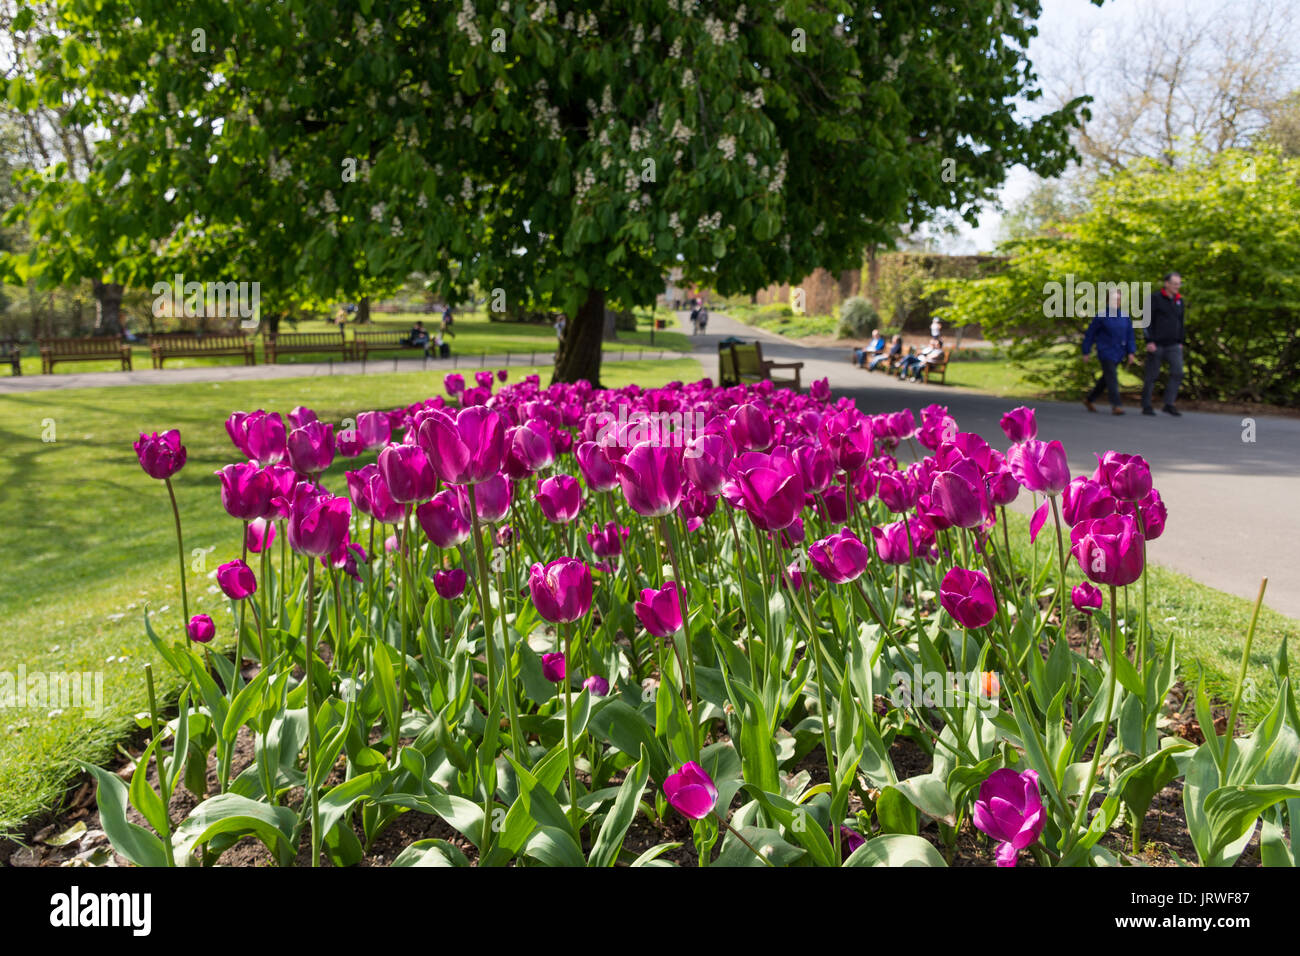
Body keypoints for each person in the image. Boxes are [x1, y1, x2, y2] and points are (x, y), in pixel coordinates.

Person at [1082, 288, 1137, 415]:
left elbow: (1129, 336)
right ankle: (1116, 405)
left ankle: (1089, 399)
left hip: (1119, 352)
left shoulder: (1124, 317)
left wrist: (1131, 352)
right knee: (1112, 377)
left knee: (1106, 379)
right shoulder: (1101, 317)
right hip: (1105, 351)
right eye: (1114, 299)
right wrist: (1086, 351)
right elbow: (1090, 335)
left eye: (1118, 299)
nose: (1116, 301)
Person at [1142, 271, 1186, 416]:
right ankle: (1147, 405)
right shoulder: (1154, 298)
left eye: (1178, 284)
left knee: (1178, 372)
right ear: (1166, 283)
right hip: (1157, 343)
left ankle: (1169, 403)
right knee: (1152, 374)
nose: (1177, 287)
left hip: (1174, 344)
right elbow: (1145, 321)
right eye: (1174, 284)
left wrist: (1180, 341)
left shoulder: (1179, 301)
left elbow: (1181, 322)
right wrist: (1149, 341)